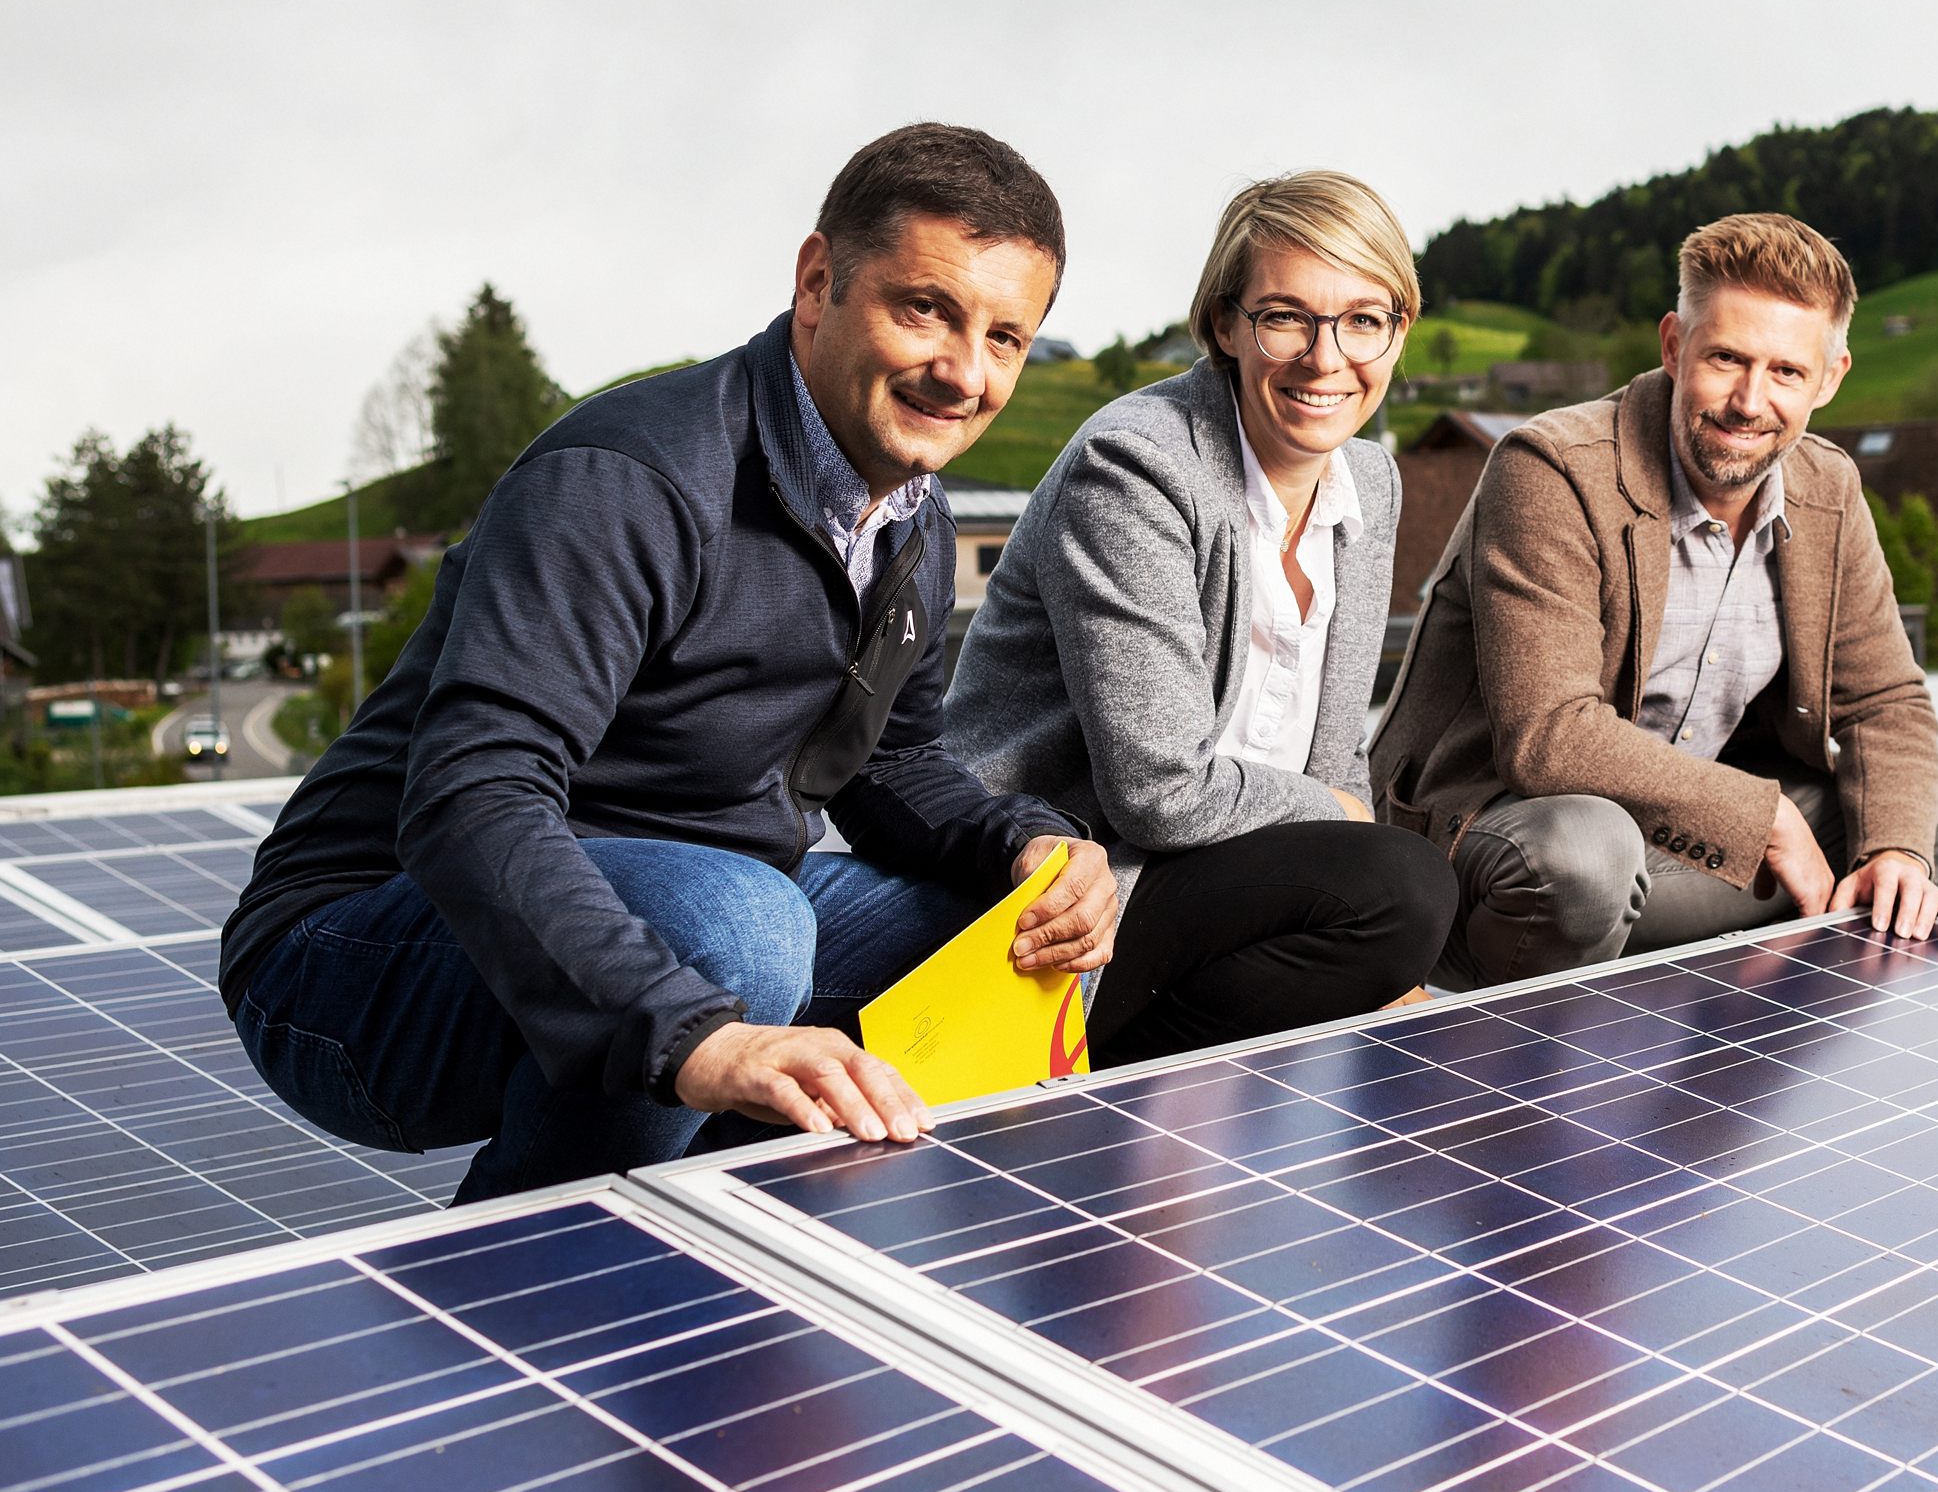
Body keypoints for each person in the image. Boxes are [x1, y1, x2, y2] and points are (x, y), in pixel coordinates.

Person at [219, 123, 1119, 1202]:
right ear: (819, 281)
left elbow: (888, 764)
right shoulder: (632, 479)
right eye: (925, 309)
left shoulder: (908, 522)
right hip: (359, 958)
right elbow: (474, 795)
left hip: (684, 917)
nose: (963, 373)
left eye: (1005, 337)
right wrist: (693, 1036)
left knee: (995, 929)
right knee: (745, 930)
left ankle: (715, 1235)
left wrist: (1027, 844)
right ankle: (530, 1276)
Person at [1371, 211, 1938, 991]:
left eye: (1786, 373)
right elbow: (1549, 738)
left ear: (1832, 376)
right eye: (1726, 359)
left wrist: (1894, 853)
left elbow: (1885, 701)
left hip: (1670, 836)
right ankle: (1539, 994)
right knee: (1586, 860)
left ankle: (1723, 991)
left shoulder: (1827, 488)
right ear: (1673, 345)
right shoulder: (1551, 469)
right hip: (1501, 838)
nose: (1749, 401)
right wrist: (1765, 822)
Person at [945, 171, 1456, 1064]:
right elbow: (1159, 793)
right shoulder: (1137, 467)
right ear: (1226, 323)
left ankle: (1157, 1077)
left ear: (1397, 331)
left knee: (1405, 897)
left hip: (1210, 875)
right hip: (1066, 893)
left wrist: (1382, 955)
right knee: (1404, 884)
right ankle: (1068, 1071)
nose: (1326, 357)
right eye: (1286, 315)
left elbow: (1337, 755)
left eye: (1363, 320)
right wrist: (1344, 825)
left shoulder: (1369, 479)